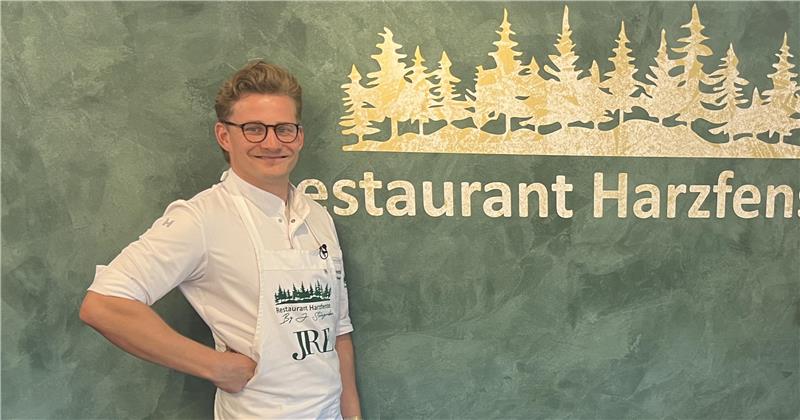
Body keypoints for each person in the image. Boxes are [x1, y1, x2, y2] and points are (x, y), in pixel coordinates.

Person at [80, 61, 361, 419]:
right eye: (254, 129)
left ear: (299, 136)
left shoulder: (318, 217)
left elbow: (338, 333)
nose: (272, 142)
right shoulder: (201, 218)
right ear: (224, 136)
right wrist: (214, 366)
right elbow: (103, 305)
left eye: (284, 129)